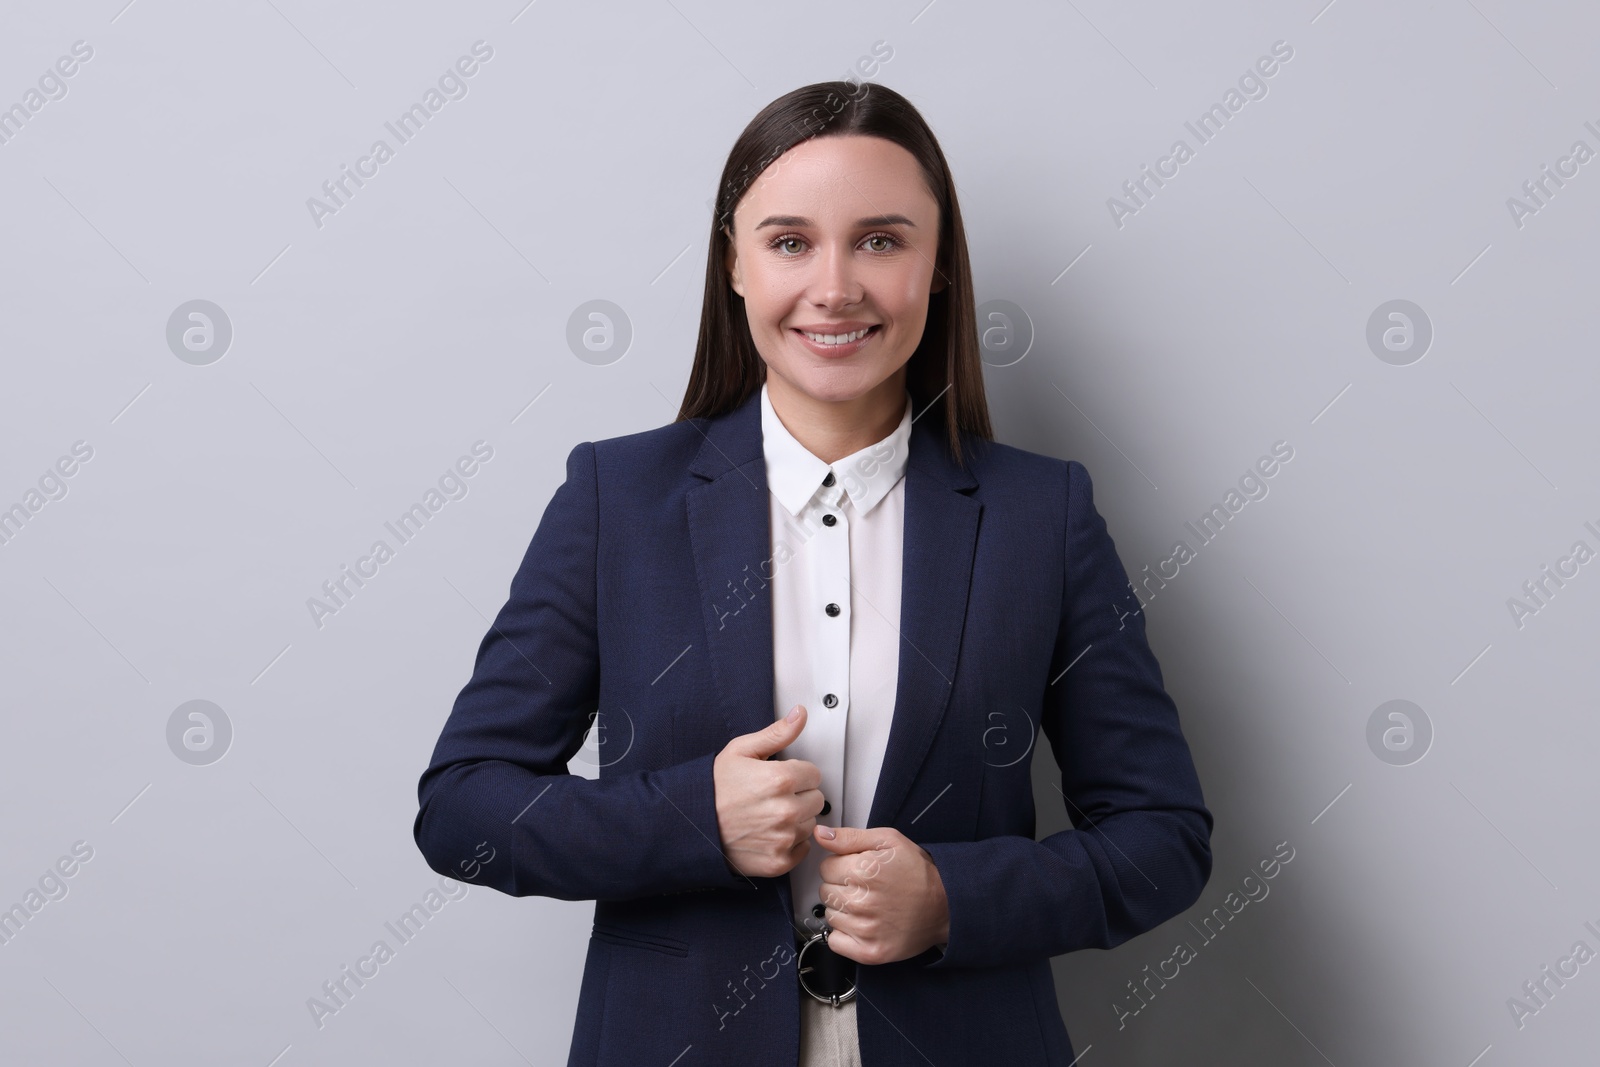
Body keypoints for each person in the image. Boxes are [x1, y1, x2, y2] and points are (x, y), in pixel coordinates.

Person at [413, 80, 1212, 1067]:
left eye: (881, 239)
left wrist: (955, 899)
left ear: (940, 267)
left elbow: (1162, 835)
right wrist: (689, 817)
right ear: (734, 265)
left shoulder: (1040, 518)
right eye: (790, 241)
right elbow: (462, 807)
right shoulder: (615, 498)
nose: (835, 287)